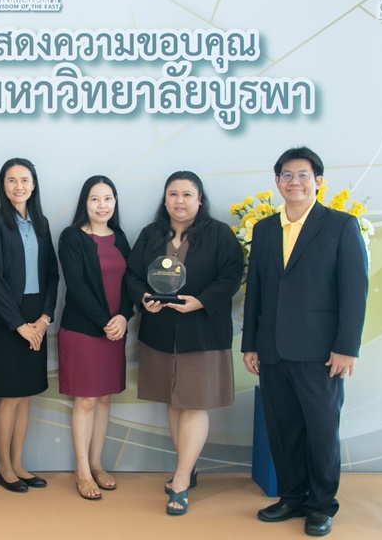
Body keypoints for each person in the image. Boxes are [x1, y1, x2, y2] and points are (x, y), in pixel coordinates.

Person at [241, 147, 368, 536]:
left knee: (321, 430)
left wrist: (346, 347)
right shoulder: (265, 229)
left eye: (303, 175)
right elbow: (256, 291)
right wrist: (251, 344)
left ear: (318, 181)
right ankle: (292, 496)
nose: (294, 182)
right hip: (273, 349)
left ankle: (321, 505)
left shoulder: (341, 225)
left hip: (321, 352)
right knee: (284, 430)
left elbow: (354, 290)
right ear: (277, 181)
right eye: (287, 175)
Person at [126, 171, 243, 516]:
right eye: (173, 194)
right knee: (174, 401)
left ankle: (180, 481)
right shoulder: (150, 234)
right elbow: (132, 275)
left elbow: (231, 276)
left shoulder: (219, 234)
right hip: (160, 331)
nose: (180, 201)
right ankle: (187, 468)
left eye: (187, 194)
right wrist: (143, 298)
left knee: (193, 403)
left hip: (202, 332)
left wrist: (201, 301)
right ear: (164, 200)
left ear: (200, 199)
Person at [0, 157, 59, 493]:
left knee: (26, 395)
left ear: (34, 184)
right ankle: (4, 468)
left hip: (36, 313)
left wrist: (43, 318)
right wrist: (19, 325)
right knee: (10, 396)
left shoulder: (41, 223)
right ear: (3, 185)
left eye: (25, 180)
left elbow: (52, 274)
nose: (19, 186)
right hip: (5, 318)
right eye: (11, 180)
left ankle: (18, 464)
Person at [57, 175, 133, 500]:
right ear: (84, 203)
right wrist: (106, 322)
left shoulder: (121, 238)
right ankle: (82, 471)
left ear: (115, 202)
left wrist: (124, 316)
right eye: (95, 199)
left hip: (115, 331)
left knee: (104, 398)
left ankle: (98, 464)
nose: (102, 205)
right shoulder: (72, 237)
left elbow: (132, 283)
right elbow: (76, 286)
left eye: (108, 198)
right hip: (83, 331)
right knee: (86, 399)